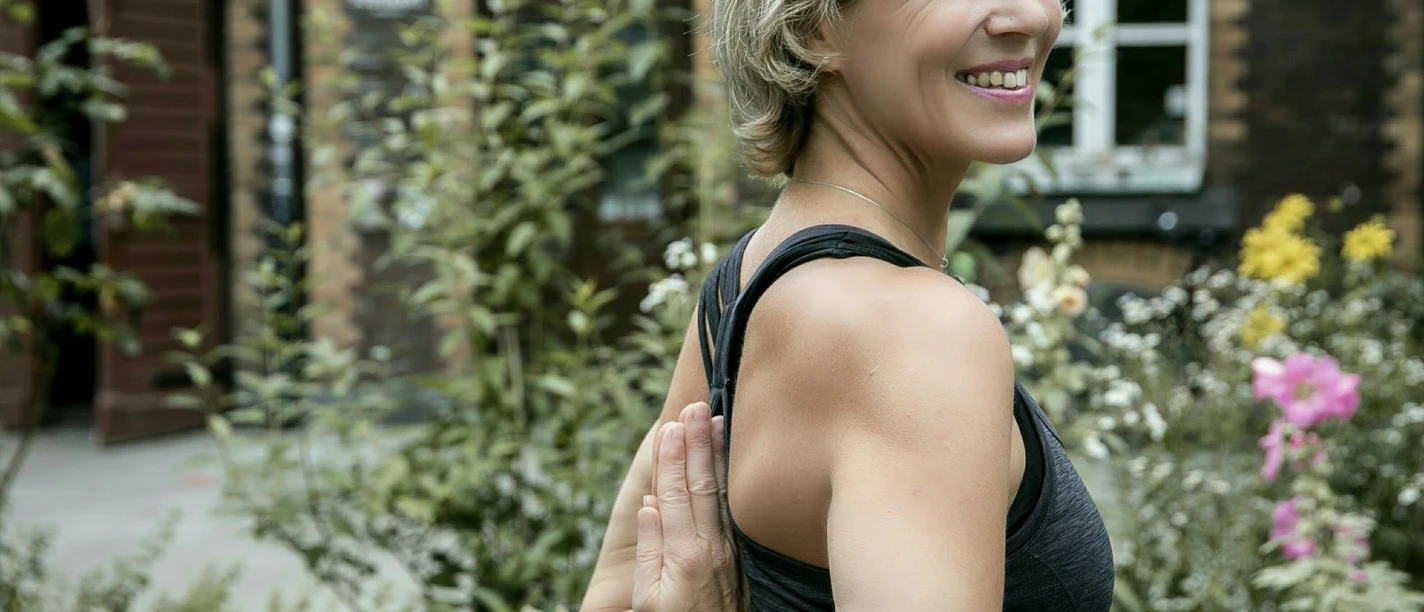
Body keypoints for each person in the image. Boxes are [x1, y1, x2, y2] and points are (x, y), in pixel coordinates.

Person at [582, 0, 1116, 609]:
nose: (1028, 16)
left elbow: (616, 592)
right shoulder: (908, 331)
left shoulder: (748, 277)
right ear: (811, 28)